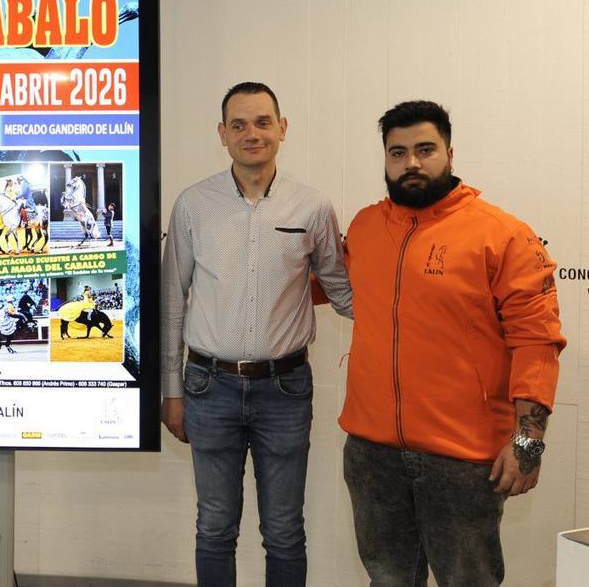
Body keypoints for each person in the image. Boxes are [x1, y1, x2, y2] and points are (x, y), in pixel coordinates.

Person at [340, 101, 564, 585]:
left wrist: (528, 442)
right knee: (388, 579)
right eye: (397, 152)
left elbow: (537, 343)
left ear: (450, 152)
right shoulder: (362, 228)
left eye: (425, 149)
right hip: (372, 455)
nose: (412, 163)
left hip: (463, 461)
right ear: (384, 159)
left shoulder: (502, 235)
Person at [161, 82, 352, 586]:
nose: (252, 134)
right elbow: (173, 304)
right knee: (215, 528)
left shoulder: (313, 207)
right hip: (208, 387)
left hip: (284, 391)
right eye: (239, 124)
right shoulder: (192, 205)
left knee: (285, 531)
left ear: (282, 129)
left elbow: (342, 291)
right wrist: (172, 392)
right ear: (222, 134)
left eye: (263, 122)